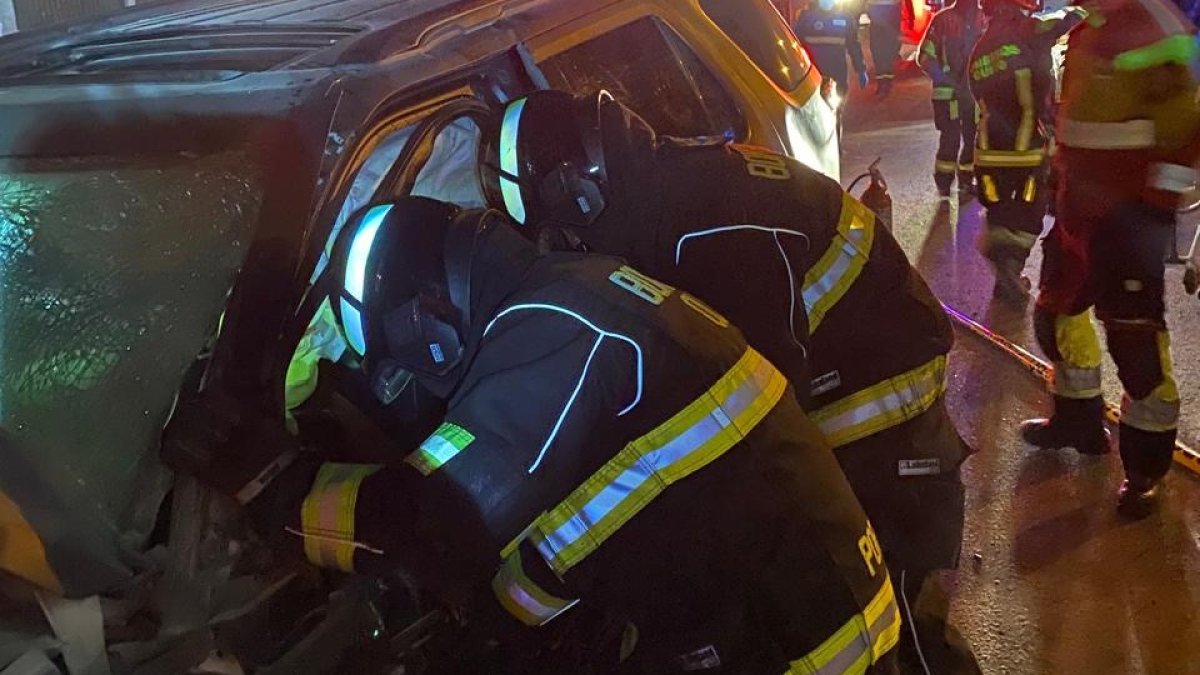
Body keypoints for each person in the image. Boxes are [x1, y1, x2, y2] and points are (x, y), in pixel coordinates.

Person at [164, 197, 903, 673]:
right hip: (811, 611)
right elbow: (595, 510)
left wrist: (270, 485)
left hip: (795, 644)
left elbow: (430, 518)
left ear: (428, 323)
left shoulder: (556, 334)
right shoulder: (575, 288)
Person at [481, 89, 979, 673]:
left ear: (582, 191)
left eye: (560, 231)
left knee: (878, 596)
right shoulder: (662, 194)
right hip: (848, 363)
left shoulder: (705, 229)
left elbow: (757, 404)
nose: (565, 251)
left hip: (879, 391)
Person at [1023, 0, 1200, 519]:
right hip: (1081, 202)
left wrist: (1157, 201)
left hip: (1129, 211)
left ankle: (1145, 469)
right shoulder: (1089, 28)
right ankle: (1078, 422)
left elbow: (1190, 115)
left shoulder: (1157, 24)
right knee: (1057, 313)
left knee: (1134, 338)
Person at [967, 0, 1085, 300]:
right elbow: (1063, 22)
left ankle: (1006, 273)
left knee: (1001, 209)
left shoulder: (979, 50)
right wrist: (1088, 10)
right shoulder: (1027, 28)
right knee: (1030, 211)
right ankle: (1009, 265)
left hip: (988, 151)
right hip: (1026, 148)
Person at [917, 0, 985, 199]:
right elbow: (924, 58)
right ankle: (944, 183)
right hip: (948, 96)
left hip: (974, 95)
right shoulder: (942, 21)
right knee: (951, 139)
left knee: (974, 138)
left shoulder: (985, 19)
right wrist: (946, 81)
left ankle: (966, 179)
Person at [794, 0, 871, 99]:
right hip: (813, 74)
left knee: (838, 103)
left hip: (837, 74)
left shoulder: (845, 18)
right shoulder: (806, 17)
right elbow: (795, 43)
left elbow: (853, 46)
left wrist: (861, 69)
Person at [867, 0, 904, 95]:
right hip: (885, 25)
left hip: (881, 25)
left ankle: (884, 83)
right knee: (882, 53)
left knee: (880, 53)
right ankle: (884, 83)